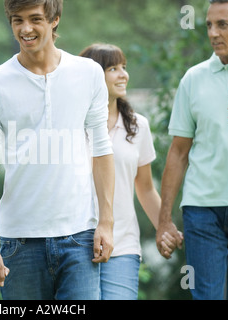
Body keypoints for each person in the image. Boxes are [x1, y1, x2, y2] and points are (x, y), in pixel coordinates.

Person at [0, 0, 115, 300]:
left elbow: (102, 149)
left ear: (55, 20)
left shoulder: (88, 73)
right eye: (17, 20)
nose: (25, 29)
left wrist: (106, 222)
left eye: (35, 19)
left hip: (80, 237)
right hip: (19, 243)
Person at [156, 0, 228, 300]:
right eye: (209, 25)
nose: (213, 33)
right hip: (201, 209)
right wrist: (164, 219)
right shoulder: (193, 79)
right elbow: (178, 152)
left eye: (223, 24)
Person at [80, 43, 179, 300]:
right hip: (74, 245)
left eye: (124, 67)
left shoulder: (138, 126)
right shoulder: (70, 125)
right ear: (91, 76)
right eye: (113, 68)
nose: (123, 74)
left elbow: (145, 187)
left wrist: (164, 227)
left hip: (122, 245)